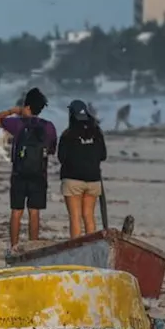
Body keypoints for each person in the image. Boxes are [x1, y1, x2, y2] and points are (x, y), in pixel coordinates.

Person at [0, 88, 58, 254]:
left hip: (19, 174)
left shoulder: (18, 123)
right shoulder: (48, 126)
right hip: (39, 174)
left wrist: (13, 111)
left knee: (16, 212)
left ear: (26, 106)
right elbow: (52, 150)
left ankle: (14, 247)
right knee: (34, 212)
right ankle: (32, 248)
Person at [57, 100, 107, 239]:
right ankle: (91, 248)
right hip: (93, 179)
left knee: (75, 217)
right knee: (89, 216)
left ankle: (76, 249)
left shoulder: (67, 134)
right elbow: (103, 156)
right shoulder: (97, 132)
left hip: (73, 179)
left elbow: (61, 157)